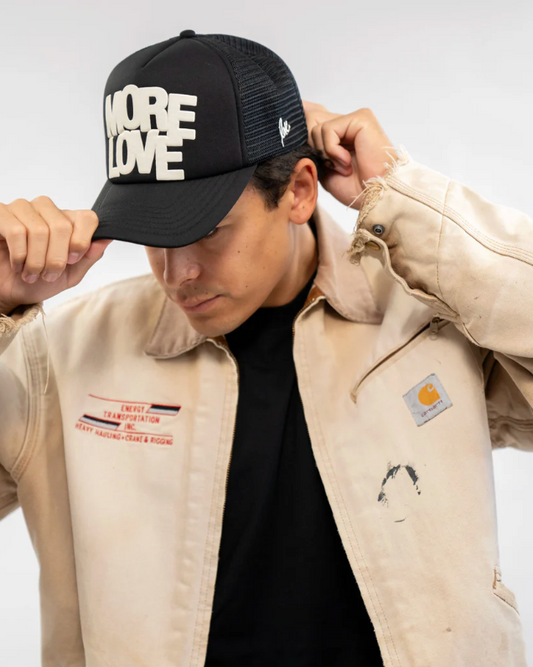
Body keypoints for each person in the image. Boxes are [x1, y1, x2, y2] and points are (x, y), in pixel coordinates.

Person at [0, 29, 530, 667]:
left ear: (299, 191)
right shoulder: (59, 355)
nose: (178, 273)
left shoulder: (427, 318)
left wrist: (400, 199)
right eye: (153, 234)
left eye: (207, 231)